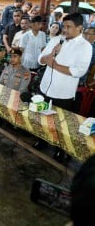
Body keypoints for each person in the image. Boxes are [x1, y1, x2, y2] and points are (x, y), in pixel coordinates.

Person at [36, 12, 92, 161]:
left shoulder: (85, 47)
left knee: (61, 123)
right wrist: (47, 58)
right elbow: (40, 59)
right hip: (45, 87)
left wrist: (55, 64)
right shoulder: (56, 39)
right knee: (42, 117)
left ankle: (61, 149)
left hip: (63, 93)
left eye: (69, 27)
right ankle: (42, 140)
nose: (65, 30)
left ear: (79, 28)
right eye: (64, 26)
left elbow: (79, 71)